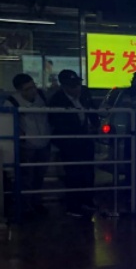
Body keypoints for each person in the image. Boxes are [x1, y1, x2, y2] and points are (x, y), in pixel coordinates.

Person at [48, 69, 99, 218]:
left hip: (86, 140)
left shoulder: (84, 93)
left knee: (88, 171)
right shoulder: (57, 100)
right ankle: (73, 205)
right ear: (64, 86)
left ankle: (87, 200)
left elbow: (93, 111)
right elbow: (57, 122)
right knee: (73, 173)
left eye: (77, 84)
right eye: (72, 85)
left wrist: (95, 126)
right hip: (69, 143)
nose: (77, 88)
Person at [3, 73, 52, 217]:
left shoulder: (41, 96)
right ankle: (26, 207)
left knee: (39, 176)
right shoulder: (11, 103)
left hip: (43, 144)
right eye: (28, 89)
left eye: (33, 87)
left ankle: (36, 203)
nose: (33, 91)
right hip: (26, 147)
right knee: (26, 179)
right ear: (19, 90)